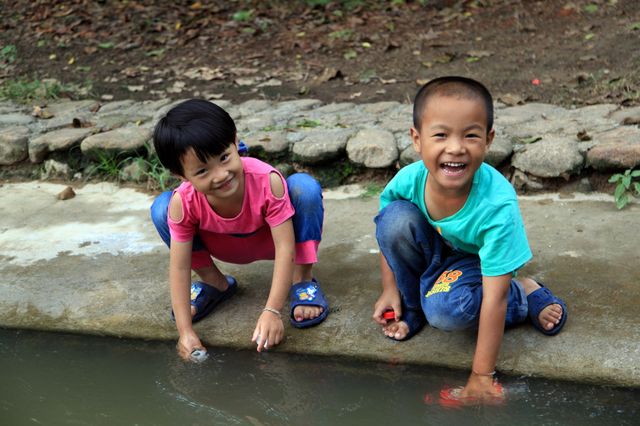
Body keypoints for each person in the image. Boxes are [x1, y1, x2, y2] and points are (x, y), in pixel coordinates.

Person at [371, 76, 567, 403]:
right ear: (417, 140)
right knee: (393, 220)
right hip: (436, 255)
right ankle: (411, 307)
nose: (456, 147)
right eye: (441, 135)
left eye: (470, 135)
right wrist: (389, 289)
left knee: (446, 313)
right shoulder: (408, 180)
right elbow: (386, 234)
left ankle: (524, 293)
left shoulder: (497, 206)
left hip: (477, 266)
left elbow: (493, 298)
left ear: (488, 140)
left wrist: (481, 376)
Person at [150, 99, 329, 360]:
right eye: (202, 170)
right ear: (181, 175)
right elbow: (179, 267)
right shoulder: (184, 201)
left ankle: (301, 279)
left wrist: (272, 311)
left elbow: (284, 246)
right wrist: (184, 331)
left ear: (235, 142)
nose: (221, 174)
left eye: (224, 157)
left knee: (305, 188)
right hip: (221, 242)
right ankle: (215, 283)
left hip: (272, 240)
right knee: (161, 208)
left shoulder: (267, 181)